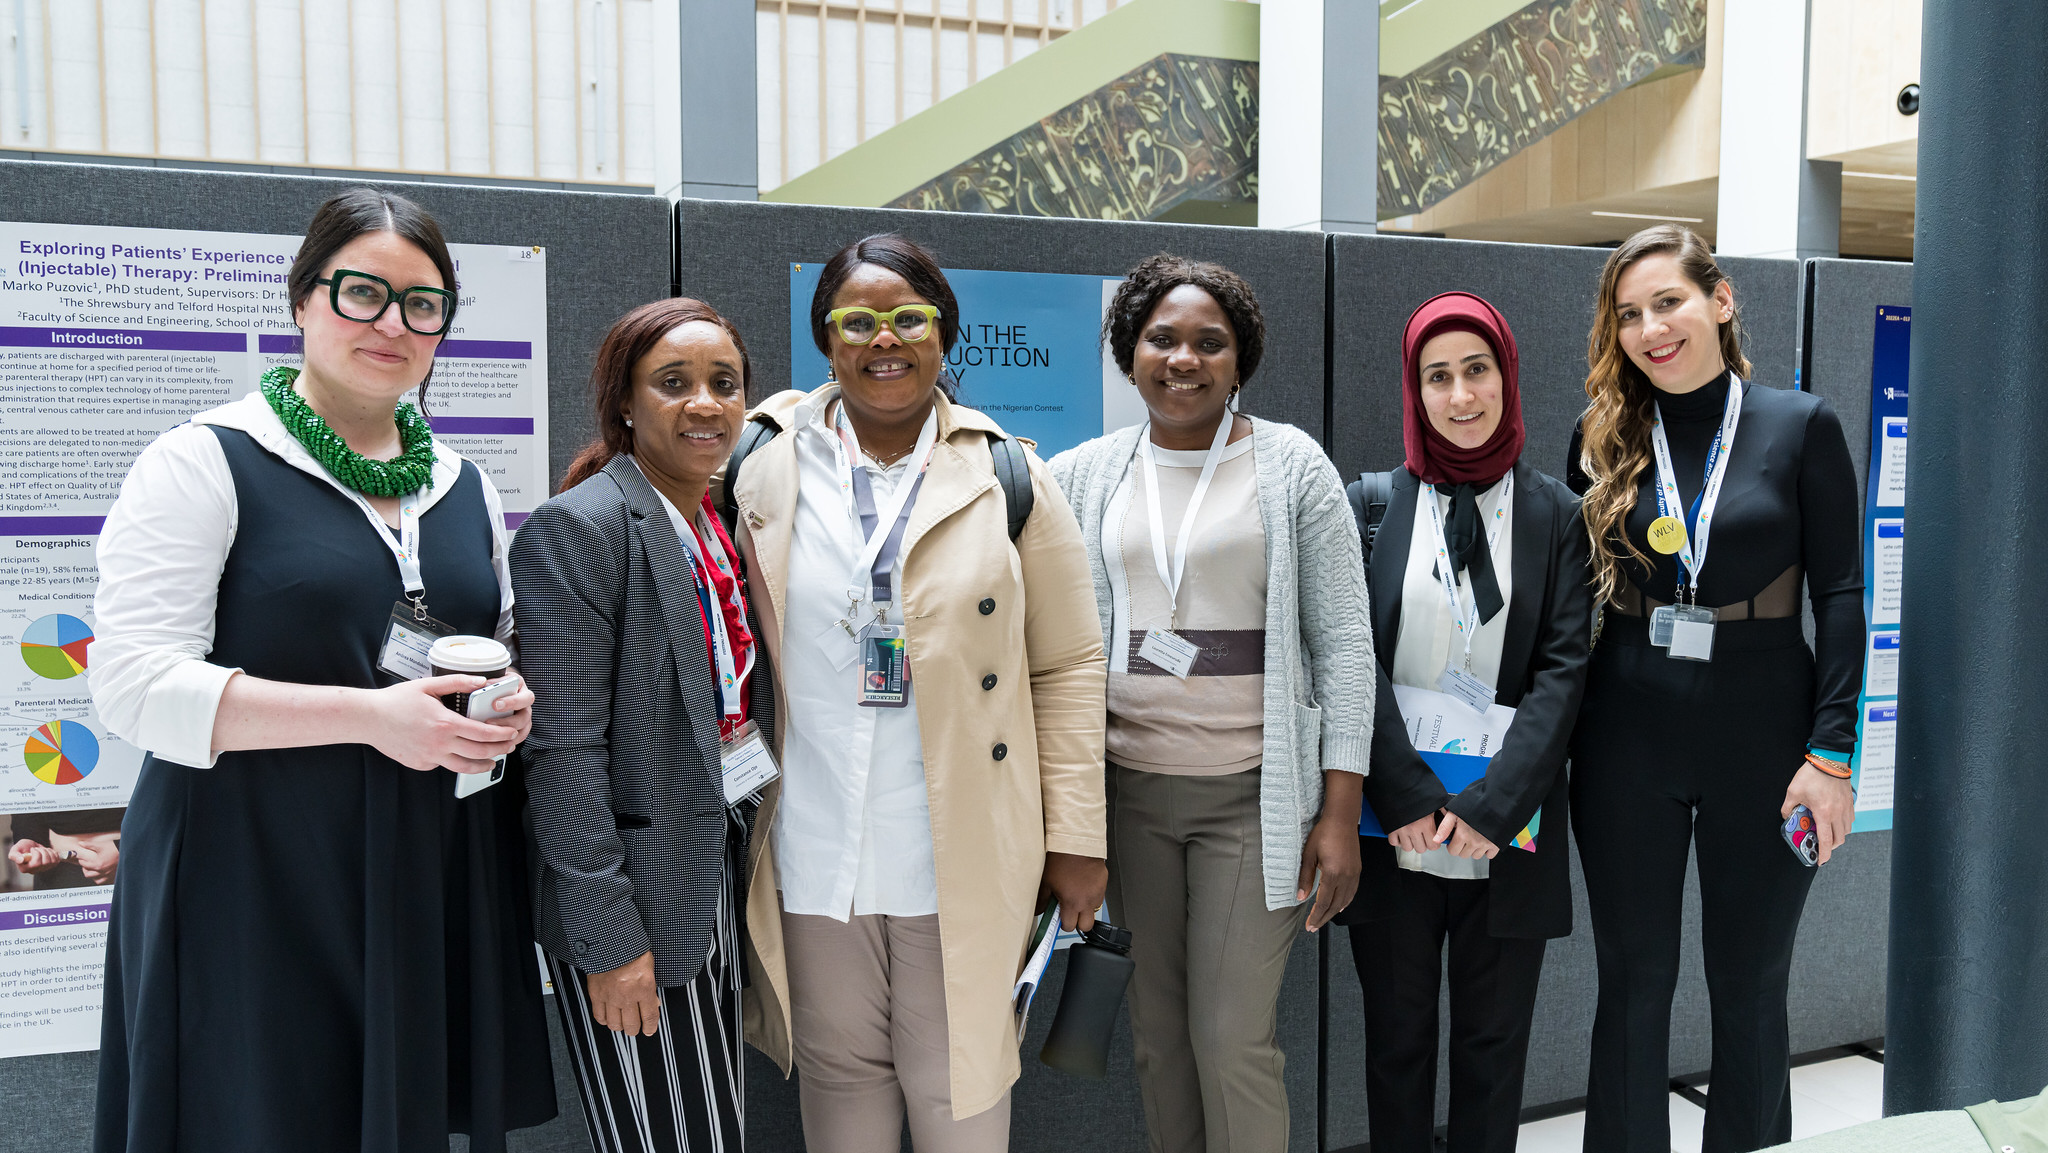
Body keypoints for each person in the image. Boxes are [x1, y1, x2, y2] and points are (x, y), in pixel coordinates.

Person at [88, 188, 555, 1153]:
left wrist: (505, 704)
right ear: (303, 299)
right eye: (362, 293)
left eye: (423, 305)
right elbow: (131, 683)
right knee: (258, 1115)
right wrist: (370, 716)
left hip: (418, 860)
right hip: (249, 866)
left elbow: (495, 636)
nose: (393, 323)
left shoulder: (462, 483)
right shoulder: (203, 461)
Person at [723, 233, 1108, 1153]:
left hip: (963, 850)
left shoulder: (1012, 476)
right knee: (841, 1097)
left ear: (945, 335)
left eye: (908, 318)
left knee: (960, 1103)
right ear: (825, 339)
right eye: (857, 321)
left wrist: (1079, 839)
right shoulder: (761, 463)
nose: (882, 339)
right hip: (814, 846)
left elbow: (1068, 666)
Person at [1048, 253, 1371, 1153]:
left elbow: (1344, 646)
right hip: (1132, 795)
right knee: (1157, 1038)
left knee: (1231, 1038)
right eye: (1162, 338)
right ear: (1130, 349)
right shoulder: (1087, 472)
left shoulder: (1292, 465)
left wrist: (1339, 813)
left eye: (1208, 342)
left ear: (1239, 359)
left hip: (1252, 798)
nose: (1182, 358)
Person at [1566, 225, 1863, 1153]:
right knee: (1634, 977)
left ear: (1721, 300)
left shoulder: (1800, 424)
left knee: (1749, 980)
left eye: (1669, 303)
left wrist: (1832, 753)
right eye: (1629, 315)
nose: (1652, 329)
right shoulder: (1603, 434)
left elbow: (1843, 597)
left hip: (1768, 737)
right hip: (1626, 736)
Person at [510, 298, 766, 1153]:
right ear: (624, 402)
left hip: (716, 877)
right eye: (674, 383)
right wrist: (611, 940)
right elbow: (563, 752)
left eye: (723, 384)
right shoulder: (580, 528)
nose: (704, 403)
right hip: (640, 905)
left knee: (712, 1130)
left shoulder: (714, 522)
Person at [1339, 292, 1592, 1153]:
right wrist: (1403, 787)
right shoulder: (1372, 503)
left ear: (1506, 376)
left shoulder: (1556, 514)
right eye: (1436, 375)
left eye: (1476, 370)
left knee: (1493, 1053)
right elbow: (1346, 656)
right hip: (1393, 822)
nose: (1460, 395)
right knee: (1397, 1049)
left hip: (1503, 829)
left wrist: (1496, 803)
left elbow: (1565, 668)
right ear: (1414, 390)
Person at [6, 809, 124, 889]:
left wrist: (124, 850)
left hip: (135, 866)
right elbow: (30, 787)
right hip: (58, 871)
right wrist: (28, 838)